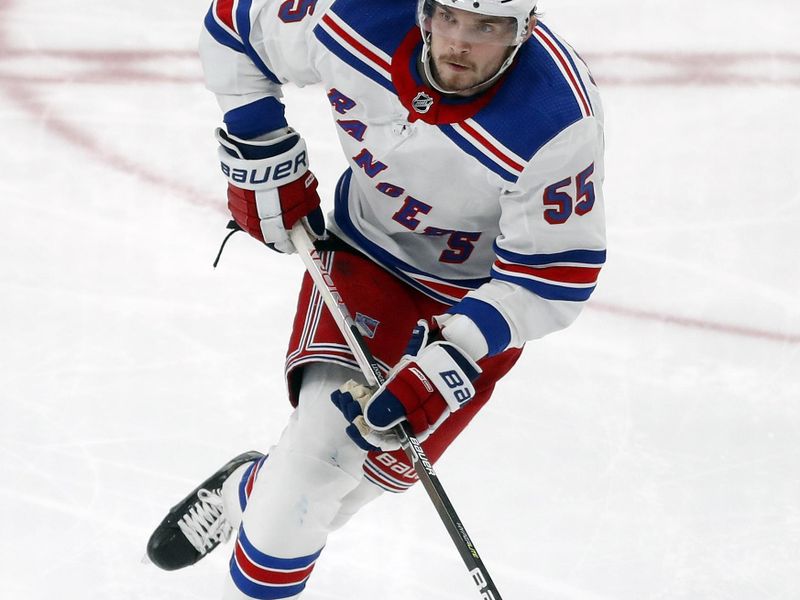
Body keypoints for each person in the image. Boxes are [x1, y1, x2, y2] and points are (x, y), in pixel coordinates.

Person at [146, 0, 606, 598]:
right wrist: (258, 145)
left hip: (471, 306)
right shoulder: (353, 13)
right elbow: (236, 25)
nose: (459, 43)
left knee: (340, 492)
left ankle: (247, 490)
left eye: (487, 27)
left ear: (524, 31)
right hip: (367, 257)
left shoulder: (554, 119)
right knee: (306, 487)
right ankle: (269, 508)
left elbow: (550, 274)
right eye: (448, 17)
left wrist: (452, 358)